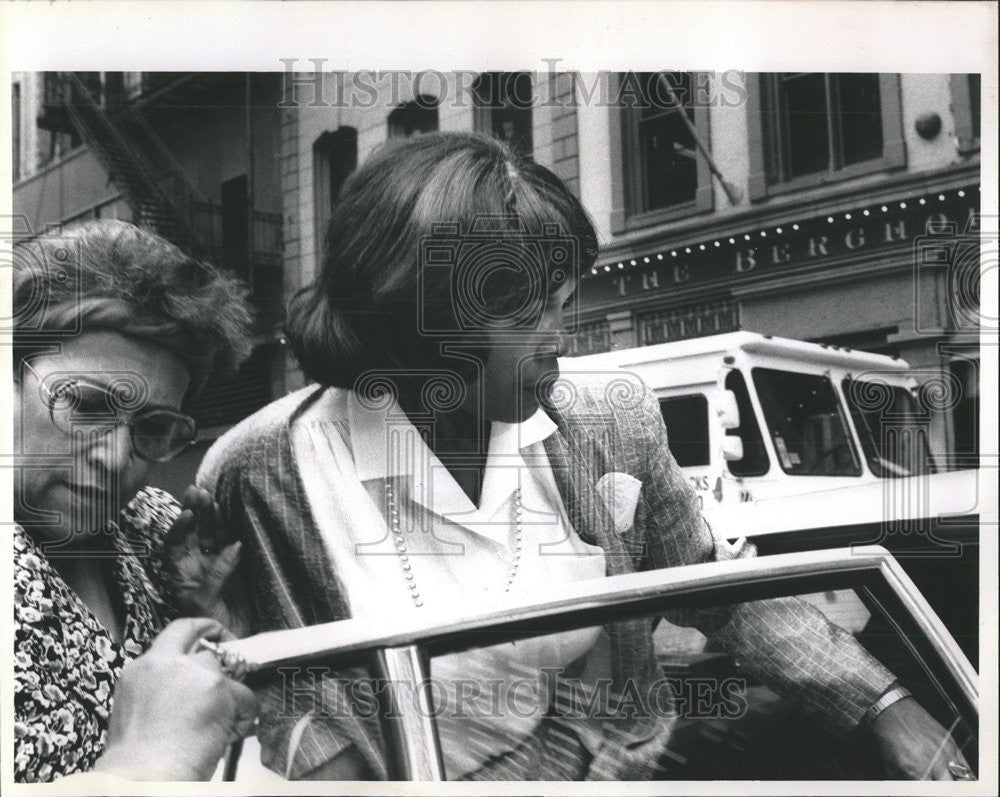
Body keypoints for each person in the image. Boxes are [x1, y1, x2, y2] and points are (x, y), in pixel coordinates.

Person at [198, 132, 973, 781]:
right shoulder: (263, 471)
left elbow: (721, 589)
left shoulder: (611, 423)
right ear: (417, 324)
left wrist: (880, 703)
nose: (560, 338)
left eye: (564, 305)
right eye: (528, 314)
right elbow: (273, 685)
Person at [11, 220, 258, 782]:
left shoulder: (153, 531)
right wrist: (143, 765)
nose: (117, 457)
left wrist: (216, 626)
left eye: (155, 427)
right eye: (87, 406)